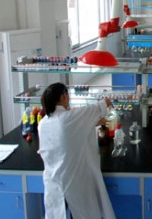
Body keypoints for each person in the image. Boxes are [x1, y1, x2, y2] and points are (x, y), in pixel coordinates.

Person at [38, 82, 116, 219]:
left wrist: (92, 122)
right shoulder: (68, 118)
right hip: (73, 181)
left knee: (58, 214)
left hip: (53, 182)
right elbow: (94, 109)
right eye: (67, 95)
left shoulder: (43, 123)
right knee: (82, 213)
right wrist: (106, 102)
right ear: (63, 96)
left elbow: (69, 134)